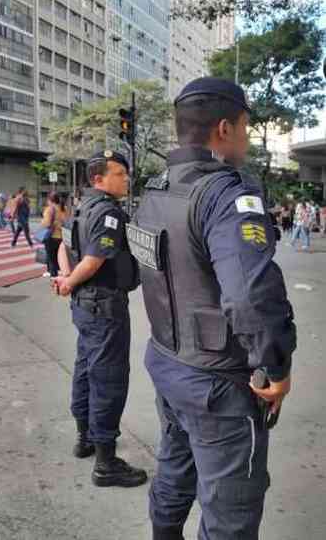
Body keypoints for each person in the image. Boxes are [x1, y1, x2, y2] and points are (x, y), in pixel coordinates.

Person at [130, 77, 296, 540]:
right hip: (218, 385)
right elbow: (249, 295)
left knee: (173, 472)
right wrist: (275, 365)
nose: (245, 137)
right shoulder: (226, 193)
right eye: (245, 127)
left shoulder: (155, 191)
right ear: (224, 128)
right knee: (230, 514)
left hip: (169, 363)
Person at [52, 149, 147, 489]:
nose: (126, 179)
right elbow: (93, 259)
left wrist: (65, 278)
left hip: (84, 304)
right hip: (104, 305)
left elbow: (63, 246)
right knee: (108, 378)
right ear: (98, 179)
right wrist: (71, 280)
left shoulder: (80, 206)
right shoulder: (108, 212)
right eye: (120, 173)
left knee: (85, 368)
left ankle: (85, 438)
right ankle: (106, 464)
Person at [41, 192, 68, 277]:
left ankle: (54, 277)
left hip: (51, 237)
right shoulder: (65, 208)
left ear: (50, 200)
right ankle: (58, 273)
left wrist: (42, 222)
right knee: (59, 257)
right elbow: (67, 221)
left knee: (51, 258)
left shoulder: (49, 209)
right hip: (62, 237)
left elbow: (47, 224)